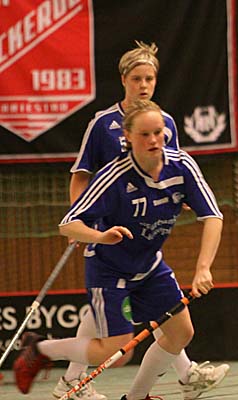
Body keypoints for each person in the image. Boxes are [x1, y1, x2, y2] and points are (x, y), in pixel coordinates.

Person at [13, 100, 225, 400]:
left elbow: (213, 216)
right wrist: (99, 236)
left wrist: (203, 267)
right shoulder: (114, 177)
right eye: (144, 134)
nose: (154, 140)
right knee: (115, 352)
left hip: (150, 267)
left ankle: (136, 398)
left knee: (181, 333)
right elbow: (68, 225)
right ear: (127, 136)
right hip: (109, 270)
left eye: (158, 133)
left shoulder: (182, 166)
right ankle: (38, 350)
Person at [62, 41, 229, 400]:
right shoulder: (102, 124)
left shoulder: (164, 123)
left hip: (147, 230)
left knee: (133, 304)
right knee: (116, 303)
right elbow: (81, 175)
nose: (143, 85)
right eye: (137, 78)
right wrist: (82, 224)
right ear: (123, 79)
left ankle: (75, 380)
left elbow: (173, 172)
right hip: (109, 231)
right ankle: (77, 380)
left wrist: (184, 199)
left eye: (149, 79)